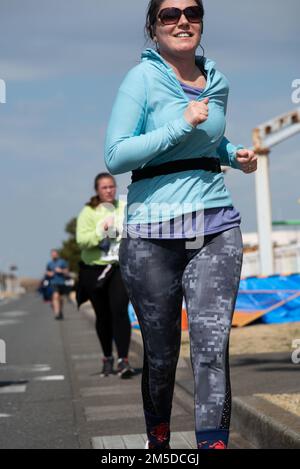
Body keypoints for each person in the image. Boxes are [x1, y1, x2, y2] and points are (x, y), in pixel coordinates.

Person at [104, 0, 257, 449]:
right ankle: (159, 443)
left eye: (191, 12)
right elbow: (116, 156)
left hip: (215, 225)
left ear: (201, 22)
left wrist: (232, 155)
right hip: (151, 234)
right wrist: (178, 123)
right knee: (162, 355)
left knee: (211, 348)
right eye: (169, 15)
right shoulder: (142, 80)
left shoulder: (218, 81)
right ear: (154, 28)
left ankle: (212, 444)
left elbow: (209, 138)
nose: (183, 21)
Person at [75, 173, 135, 379]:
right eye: (104, 188)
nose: (109, 191)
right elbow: (82, 241)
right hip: (94, 269)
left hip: (117, 266)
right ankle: (107, 357)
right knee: (103, 316)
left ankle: (124, 359)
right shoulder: (89, 211)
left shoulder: (123, 207)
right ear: (97, 190)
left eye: (112, 187)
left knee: (119, 310)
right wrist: (102, 230)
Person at [46, 249, 69, 320]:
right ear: (51, 255)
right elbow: (47, 272)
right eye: (52, 254)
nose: (54, 255)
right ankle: (57, 314)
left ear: (57, 254)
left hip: (62, 282)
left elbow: (67, 272)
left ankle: (60, 311)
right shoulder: (49, 263)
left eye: (55, 254)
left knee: (60, 298)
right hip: (53, 282)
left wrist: (61, 271)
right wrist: (49, 273)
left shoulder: (62, 262)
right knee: (55, 296)